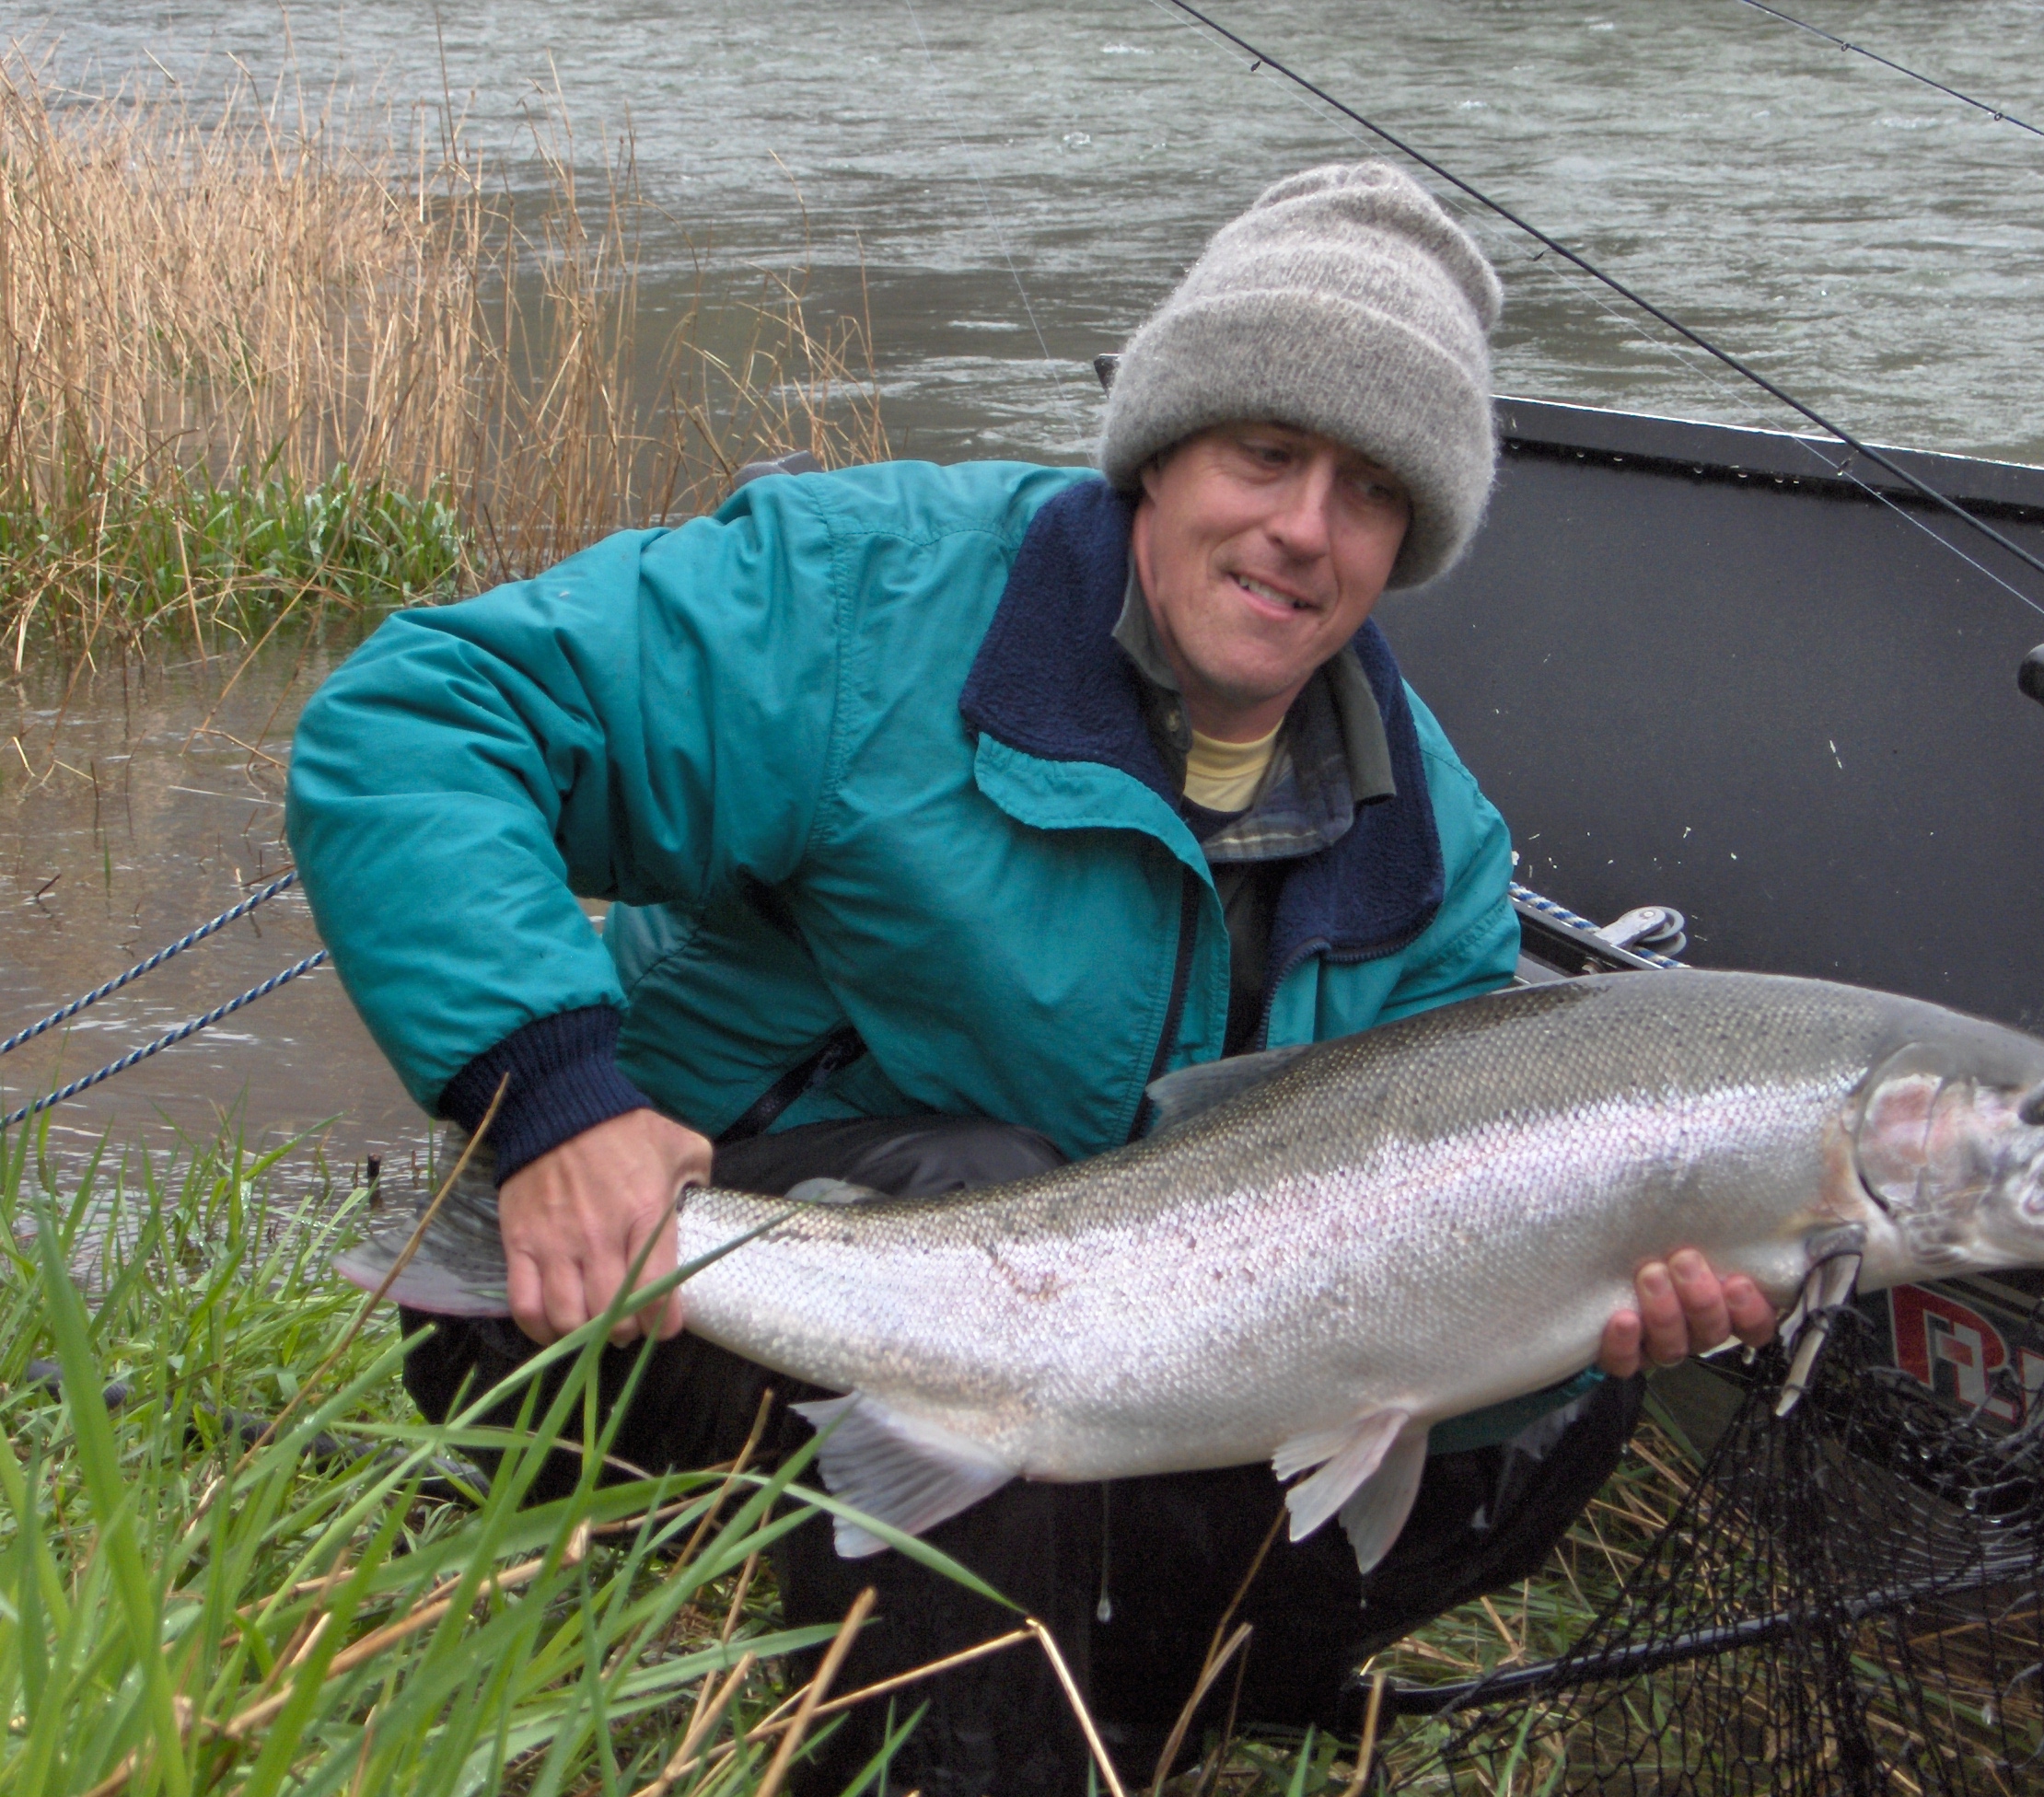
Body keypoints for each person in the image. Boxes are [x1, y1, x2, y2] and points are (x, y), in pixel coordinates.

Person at [287, 161, 1774, 1793]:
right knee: (989, 1200)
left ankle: (1114, 1698)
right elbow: (418, 720)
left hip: (1095, 1352)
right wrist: (558, 1099)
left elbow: (1410, 1326)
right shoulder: (864, 600)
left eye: (1368, 490)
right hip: (619, 1298)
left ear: (1407, 541)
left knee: (1561, 1412)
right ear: (1156, 453)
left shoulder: (1434, 857)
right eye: (1263, 453)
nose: (1302, 527)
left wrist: (1561, 1319)